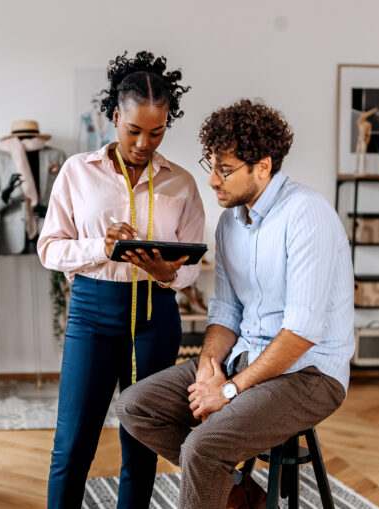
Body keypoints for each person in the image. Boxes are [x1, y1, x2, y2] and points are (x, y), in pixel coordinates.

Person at [115, 99, 355, 508]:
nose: (212, 181)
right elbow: (225, 311)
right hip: (246, 357)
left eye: (224, 170)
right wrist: (210, 370)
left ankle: (223, 483)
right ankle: (241, 493)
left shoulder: (306, 213)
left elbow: (302, 331)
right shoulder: (230, 224)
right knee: (134, 406)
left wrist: (227, 390)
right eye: (211, 166)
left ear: (263, 166)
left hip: (310, 373)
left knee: (201, 448)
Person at [37, 50, 205, 508]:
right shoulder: (77, 172)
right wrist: (101, 247)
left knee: (141, 445)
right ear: (114, 117)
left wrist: (167, 273)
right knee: (72, 445)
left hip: (156, 318)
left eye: (157, 131)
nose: (144, 142)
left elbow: (191, 267)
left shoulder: (183, 184)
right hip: (91, 315)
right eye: (134, 130)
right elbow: (49, 248)